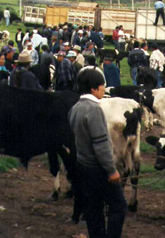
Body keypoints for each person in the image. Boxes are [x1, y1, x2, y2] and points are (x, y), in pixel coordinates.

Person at [69, 69, 127, 238]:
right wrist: (111, 170)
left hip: (83, 165)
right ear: (94, 89)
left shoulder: (76, 108)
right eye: (102, 85)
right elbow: (101, 144)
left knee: (93, 207)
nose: (104, 89)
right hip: (98, 168)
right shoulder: (94, 109)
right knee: (119, 205)